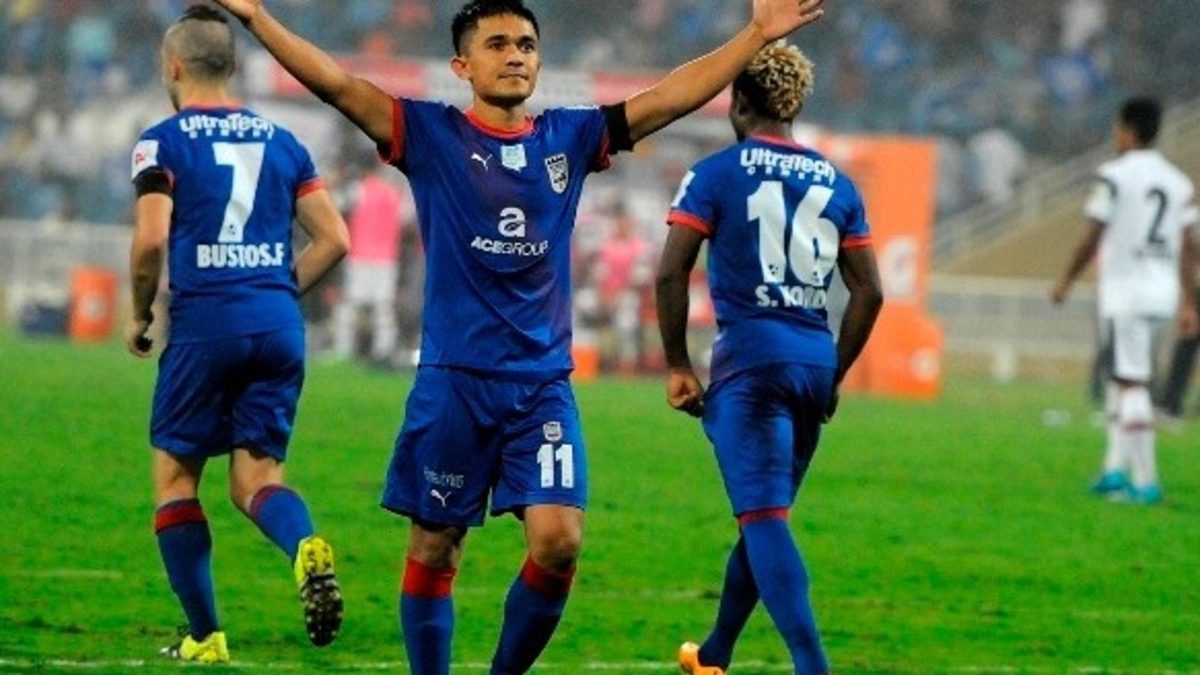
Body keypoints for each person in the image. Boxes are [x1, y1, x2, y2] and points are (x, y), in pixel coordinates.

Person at [210, 0, 826, 672]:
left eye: (526, 45)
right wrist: (257, 17)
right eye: (498, 44)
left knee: (559, 541)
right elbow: (335, 83)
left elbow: (669, 98)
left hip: (541, 387)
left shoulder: (570, 136)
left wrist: (754, 34)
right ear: (463, 65)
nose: (514, 56)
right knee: (435, 546)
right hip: (454, 381)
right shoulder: (430, 133)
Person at [125, 5, 349, 663]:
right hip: (278, 325)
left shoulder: (162, 142)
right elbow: (335, 238)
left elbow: (149, 241)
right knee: (256, 480)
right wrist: (273, 291)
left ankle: (205, 636)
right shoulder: (284, 141)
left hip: (206, 324)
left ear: (173, 66)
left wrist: (140, 313)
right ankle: (303, 544)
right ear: (232, 65)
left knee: (176, 480)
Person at [656, 42, 882, 675]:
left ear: (739, 103)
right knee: (765, 516)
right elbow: (870, 291)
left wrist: (678, 365)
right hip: (812, 360)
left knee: (764, 519)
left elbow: (671, 273)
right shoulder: (838, 182)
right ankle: (715, 655)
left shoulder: (716, 173)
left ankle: (813, 666)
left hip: (751, 360)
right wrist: (834, 374)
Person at [1052, 96, 1199, 505]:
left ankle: (1146, 481)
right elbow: (1190, 247)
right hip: (1163, 293)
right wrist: (1189, 303)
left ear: (1128, 131)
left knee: (1132, 386)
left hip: (1126, 293)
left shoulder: (1113, 175)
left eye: (1117, 128)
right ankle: (1114, 468)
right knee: (1125, 379)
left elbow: (1092, 235)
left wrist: (1065, 280)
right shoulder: (1179, 183)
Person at [330, 162, 407, 366]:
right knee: (383, 308)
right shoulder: (393, 193)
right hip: (387, 259)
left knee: (351, 304)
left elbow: (336, 202)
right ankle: (383, 349)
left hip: (360, 256)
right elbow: (405, 219)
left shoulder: (358, 189)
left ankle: (343, 348)